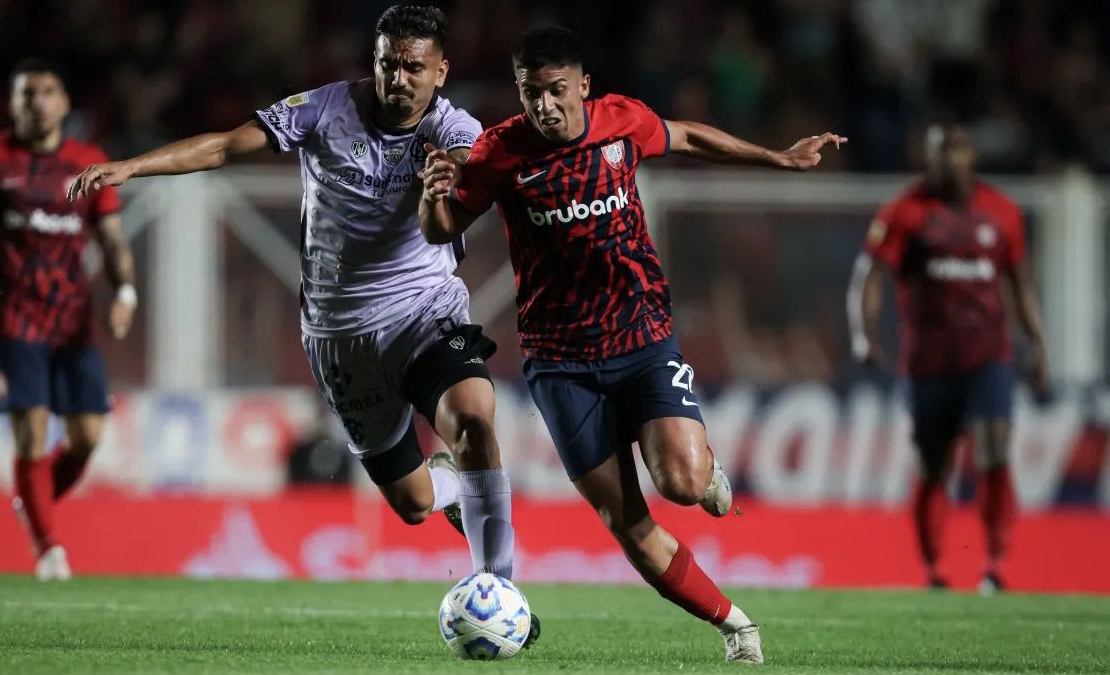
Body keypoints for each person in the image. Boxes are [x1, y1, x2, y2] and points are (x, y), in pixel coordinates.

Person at [67, 6, 538, 642]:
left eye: (413, 67)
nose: (398, 78)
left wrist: (450, 174)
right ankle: (450, 487)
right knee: (413, 504)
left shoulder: (452, 127)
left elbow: (468, 162)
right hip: (338, 334)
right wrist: (129, 167)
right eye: (387, 63)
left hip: (425, 309)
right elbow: (224, 146)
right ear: (374, 62)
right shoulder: (324, 109)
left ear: (440, 72)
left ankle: (501, 593)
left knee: (476, 419)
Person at [418, 26, 845, 664]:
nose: (545, 105)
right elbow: (444, 226)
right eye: (531, 93)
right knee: (626, 522)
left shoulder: (621, 121)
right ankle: (737, 626)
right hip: (560, 363)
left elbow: (691, 136)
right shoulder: (498, 154)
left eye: (557, 90)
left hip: (642, 338)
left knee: (682, 481)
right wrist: (431, 195)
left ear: (583, 86)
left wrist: (778, 157)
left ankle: (700, 462)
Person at [0, 59, 137, 581]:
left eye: (48, 92)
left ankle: (32, 501)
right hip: (15, 317)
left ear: (64, 102)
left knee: (87, 438)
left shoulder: (88, 161)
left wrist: (125, 291)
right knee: (31, 432)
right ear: (13, 103)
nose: (38, 101)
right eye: (27, 93)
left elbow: (114, 240)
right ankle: (48, 547)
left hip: (74, 320)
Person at [848, 124, 1050, 593]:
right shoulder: (906, 210)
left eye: (954, 151)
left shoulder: (1002, 213)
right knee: (934, 466)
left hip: (989, 359)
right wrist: (864, 334)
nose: (946, 162)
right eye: (937, 153)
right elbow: (870, 275)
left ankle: (996, 564)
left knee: (994, 452)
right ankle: (935, 568)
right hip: (928, 364)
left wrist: (1038, 344)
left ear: (970, 155)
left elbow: (1021, 286)